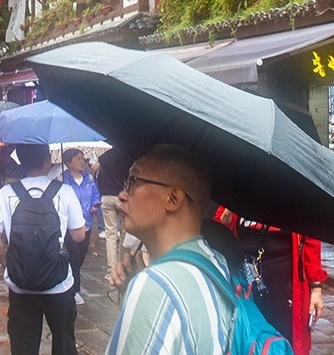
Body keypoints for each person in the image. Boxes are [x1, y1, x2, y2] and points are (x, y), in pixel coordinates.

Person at [107, 145, 234, 354]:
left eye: (133, 182)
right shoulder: (216, 261)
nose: (121, 195)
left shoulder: (155, 286)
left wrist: (145, 289)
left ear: (173, 198)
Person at [0, 144, 86, 355]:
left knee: (23, 346)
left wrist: (7, 262)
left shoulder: (7, 192)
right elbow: (79, 235)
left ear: (21, 160)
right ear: (47, 160)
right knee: (64, 341)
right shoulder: (64, 191)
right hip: (59, 284)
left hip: (21, 284)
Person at [214, 206, 326, 354]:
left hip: (285, 286)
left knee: (285, 338)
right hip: (245, 282)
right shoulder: (240, 193)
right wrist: (227, 214)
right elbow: (218, 234)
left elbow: (310, 239)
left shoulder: (296, 197)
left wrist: (316, 288)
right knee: (246, 334)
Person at [60, 149, 101, 306]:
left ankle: (69, 278)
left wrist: (94, 206)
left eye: (82, 159)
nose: (81, 162)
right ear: (68, 162)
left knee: (81, 255)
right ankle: (74, 289)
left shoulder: (88, 178)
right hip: (70, 226)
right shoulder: (64, 180)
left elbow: (96, 195)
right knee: (74, 256)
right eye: (77, 159)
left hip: (87, 224)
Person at [95, 145, 134, 278]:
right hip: (122, 197)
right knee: (124, 234)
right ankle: (122, 267)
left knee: (110, 234)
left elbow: (98, 175)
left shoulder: (104, 157)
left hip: (106, 196)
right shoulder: (128, 156)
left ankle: (111, 270)